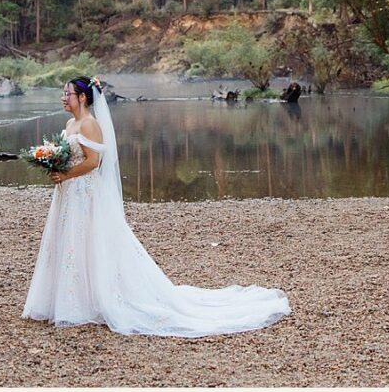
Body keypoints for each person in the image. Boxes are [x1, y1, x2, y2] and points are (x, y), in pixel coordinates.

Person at [22, 76, 290, 337]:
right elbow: (68, 155)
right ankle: (71, 299)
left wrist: (67, 174)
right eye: (62, 93)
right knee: (69, 241)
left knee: (88, 240)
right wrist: (54, 165)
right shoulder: (70, 123)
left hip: (84, 192)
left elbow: (94, 162)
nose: (62, 98)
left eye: (66, 93)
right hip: (68, 193)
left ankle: (92, 301)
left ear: (82, 97)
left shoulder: (90, 124)